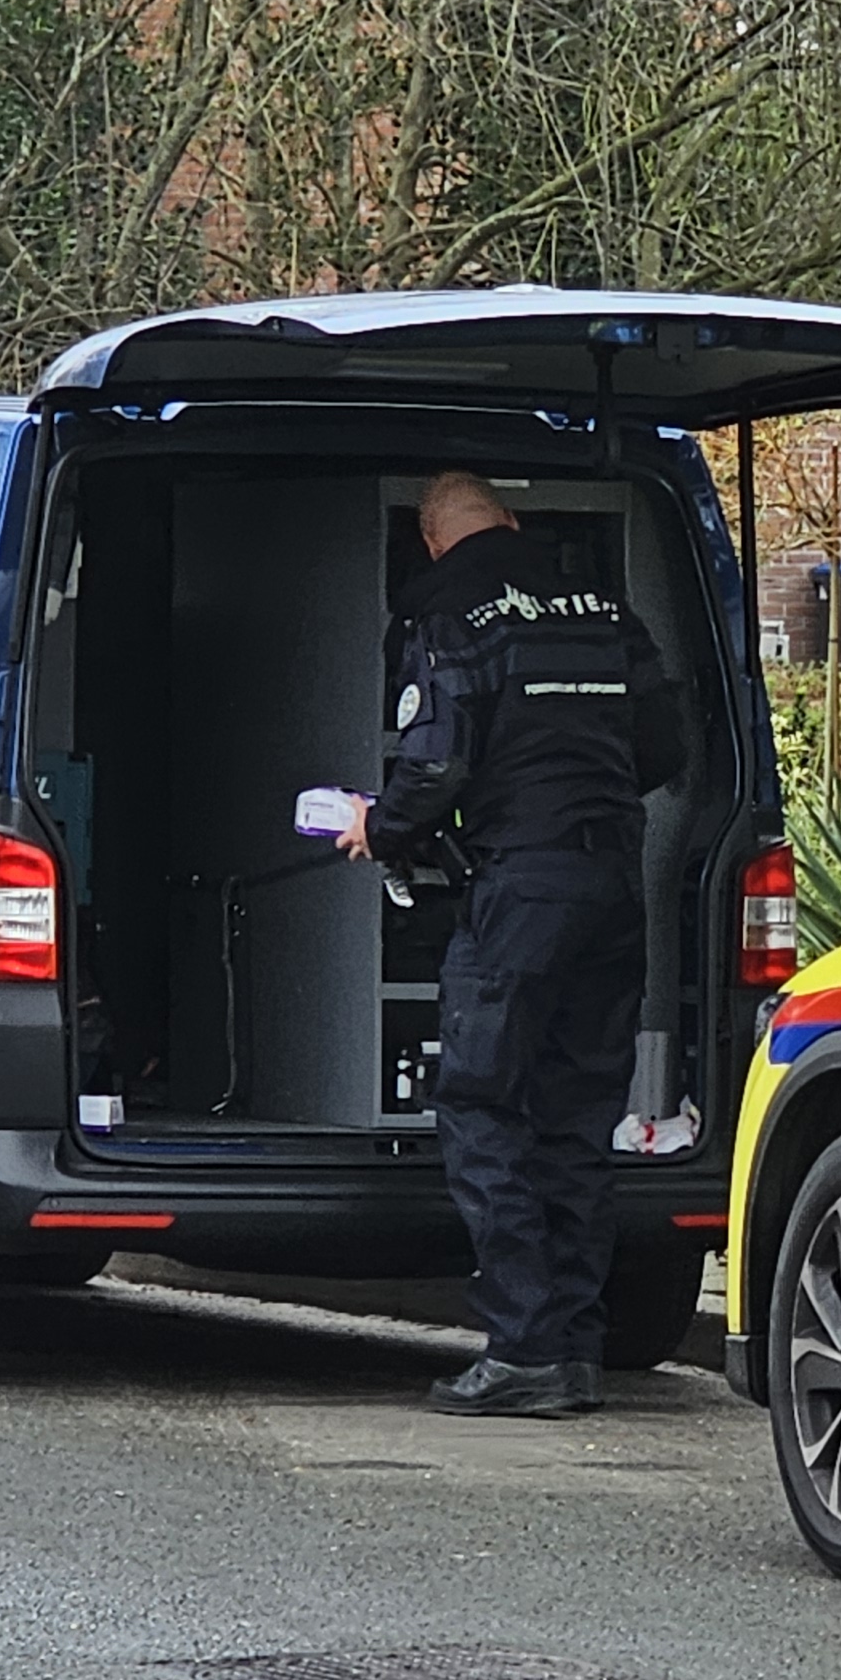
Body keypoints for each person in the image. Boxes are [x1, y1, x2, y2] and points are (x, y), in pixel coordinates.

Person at [339, 472, 668, 1417]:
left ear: (435, 543)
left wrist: (384, 826)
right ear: (514, 522)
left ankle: (525, 1347)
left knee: (483, 1103)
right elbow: (666, 747)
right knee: (575, 1117)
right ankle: (575, 1348)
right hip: (613, 887)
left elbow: (435, 760)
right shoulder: (601, 606)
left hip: (521, 889)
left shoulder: (453, 613)